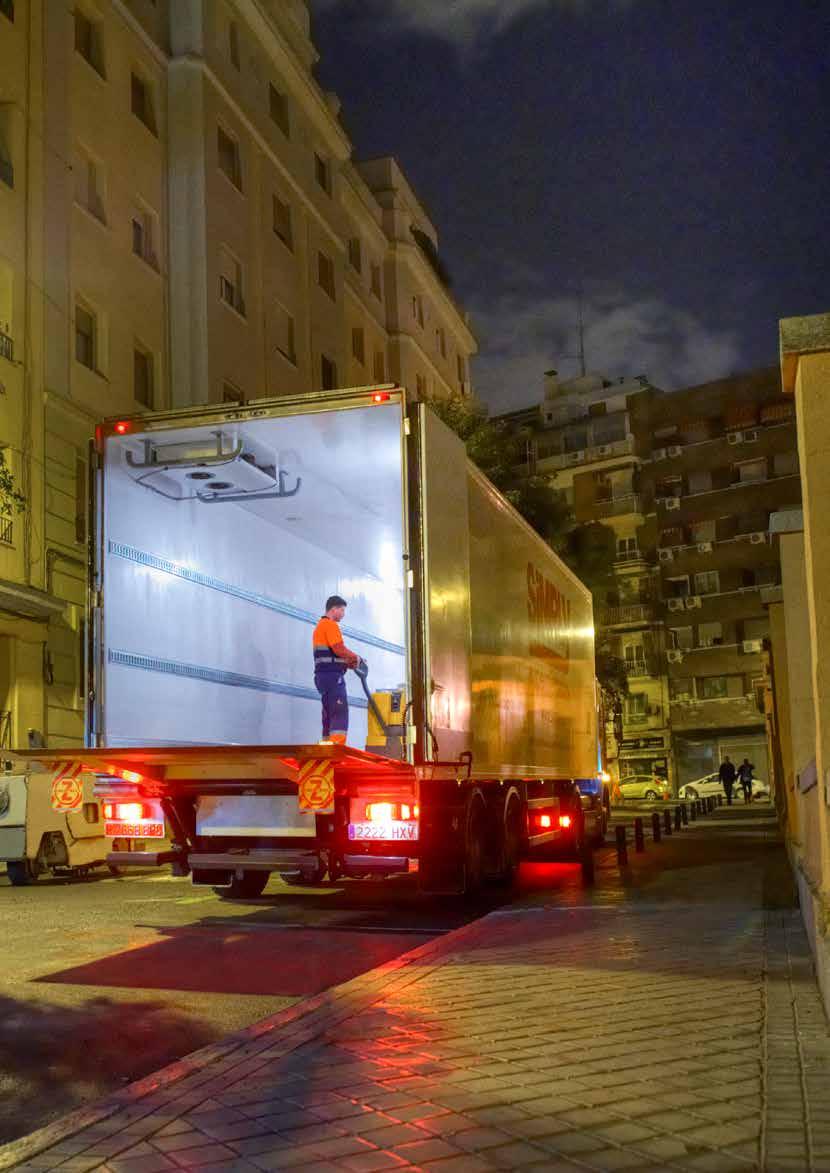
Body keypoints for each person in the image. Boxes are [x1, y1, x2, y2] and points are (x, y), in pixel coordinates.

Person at [312, 595, 361, 745]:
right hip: (333, 677)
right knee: (339, 713)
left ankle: (327, 746)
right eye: (342, 610)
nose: (343, 614)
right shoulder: (330, 625)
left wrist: (346, 664)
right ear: (334, 609)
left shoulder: (319, 627)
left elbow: (329, 657)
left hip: (322, 677)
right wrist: (356, 658)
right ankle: (337, 748)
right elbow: (338, 649)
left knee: (328, 714)